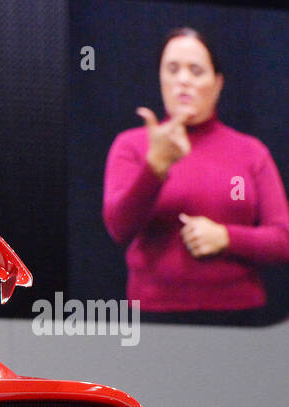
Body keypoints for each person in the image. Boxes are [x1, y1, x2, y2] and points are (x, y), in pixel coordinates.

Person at [103, 28, 289, 324]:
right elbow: (118, 228)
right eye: (173, 69)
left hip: (240, 320)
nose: (183, 80)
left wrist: (227, 237)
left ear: (217, 84)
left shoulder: (251, 152)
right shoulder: (131, 146)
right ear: (161, 79)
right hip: (154, 319)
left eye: (196, 70)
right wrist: (155, 167)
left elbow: (283, 240)